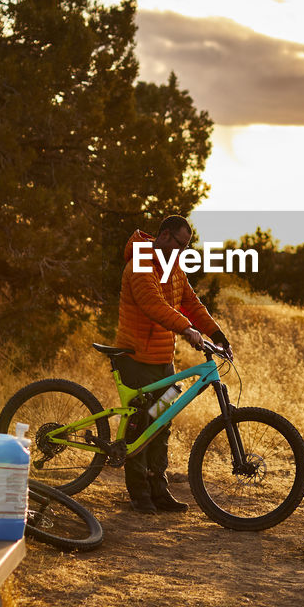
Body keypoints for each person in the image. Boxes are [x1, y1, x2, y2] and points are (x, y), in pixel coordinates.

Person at [114, 215, 230, 513]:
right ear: (164, 236)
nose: (182, 251)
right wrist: (187, 329)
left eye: (186, 246)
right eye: (180, 244)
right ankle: (139, 494)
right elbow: (153, 304)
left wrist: (217, 334)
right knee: (141, 424)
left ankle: (159, 490)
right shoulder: (140, 261)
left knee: (161, 423)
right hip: (136, 357)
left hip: (163, 360)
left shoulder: (173, 264)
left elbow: (190, 302)